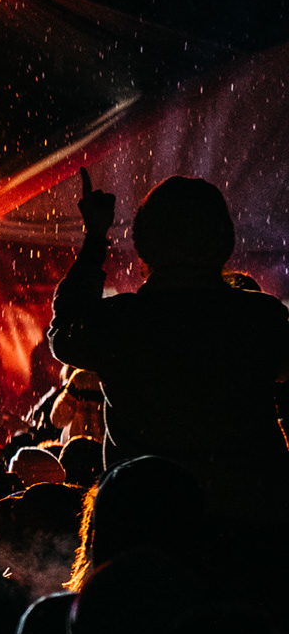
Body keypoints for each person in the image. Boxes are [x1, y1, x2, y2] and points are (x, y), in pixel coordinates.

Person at [49, 171, 289, 520]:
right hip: (250, 527)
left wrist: (96, 238)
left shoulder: (121, 322)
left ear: (143, 246)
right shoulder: (261, 319)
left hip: (145, 522)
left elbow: (65, 331)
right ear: (225, 242)